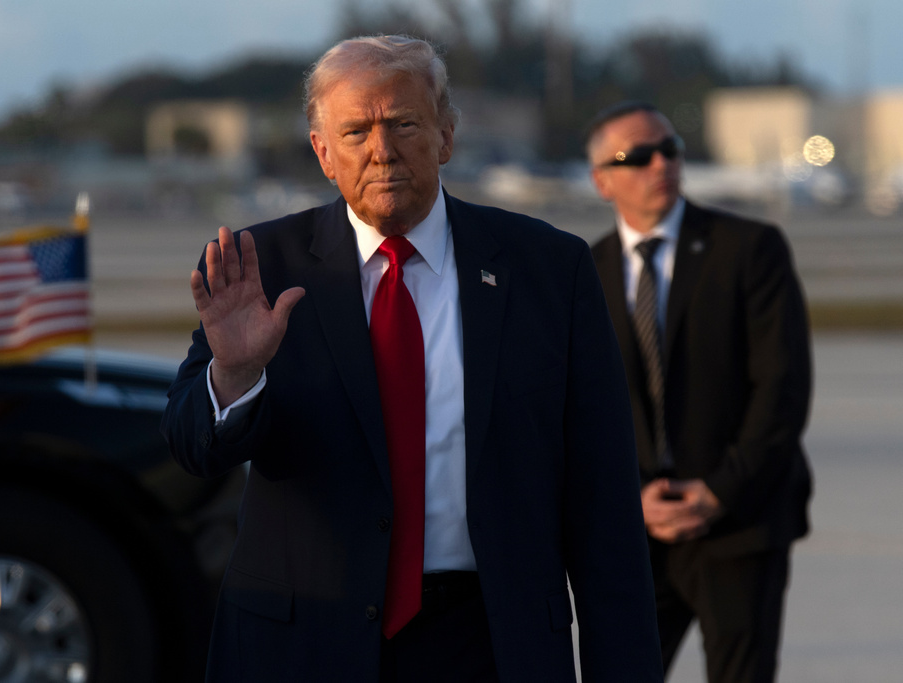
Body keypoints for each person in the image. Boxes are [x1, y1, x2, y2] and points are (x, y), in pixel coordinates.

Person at [162, 36, 662, 683]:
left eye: (403, 124)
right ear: (323, 152)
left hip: (488, 643)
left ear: (446, 135)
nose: (381, 149)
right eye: (355, 130)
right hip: (307, 645)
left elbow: (605, 508)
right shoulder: (261, 267)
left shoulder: (548, 270)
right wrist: (235, 374)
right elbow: (190, 445)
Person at [585, 101, 813, 683]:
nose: (660, 162)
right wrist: (632, 498)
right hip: (636, 529)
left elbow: (782, 390)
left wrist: (717, 491)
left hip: (738, 520)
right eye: (637, 155)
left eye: (670, 149)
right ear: (601, 181)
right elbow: (575, 413)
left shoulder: (749, 248)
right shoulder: (583, 271)